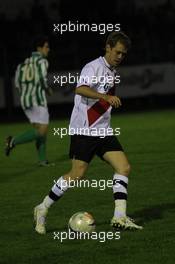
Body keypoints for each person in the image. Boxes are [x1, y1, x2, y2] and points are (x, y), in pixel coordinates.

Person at [34, 31, 143, 234]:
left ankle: (119, 217)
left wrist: (106, 101)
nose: (120, 57)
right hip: (84, 130)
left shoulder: (111, 70)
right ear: (108, 47)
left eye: (123, 54)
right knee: (77, 174)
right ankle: (42, 208)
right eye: (117, 52)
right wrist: (105, 97)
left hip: (102, 130)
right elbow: (80, 89)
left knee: (124, 167)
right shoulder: (93, 67)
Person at [5, 36, 54, 166]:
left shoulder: (22, 64)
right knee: (42, 131)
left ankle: (42, 160)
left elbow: (17, 84)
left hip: (25, 101)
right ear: (39, 48)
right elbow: (42, 80)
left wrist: (26, 93)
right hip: (37, 100)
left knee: (39, 132)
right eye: (46, 47)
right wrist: (47, 90)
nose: (48, 50)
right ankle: (13, 141)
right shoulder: (42, 62)